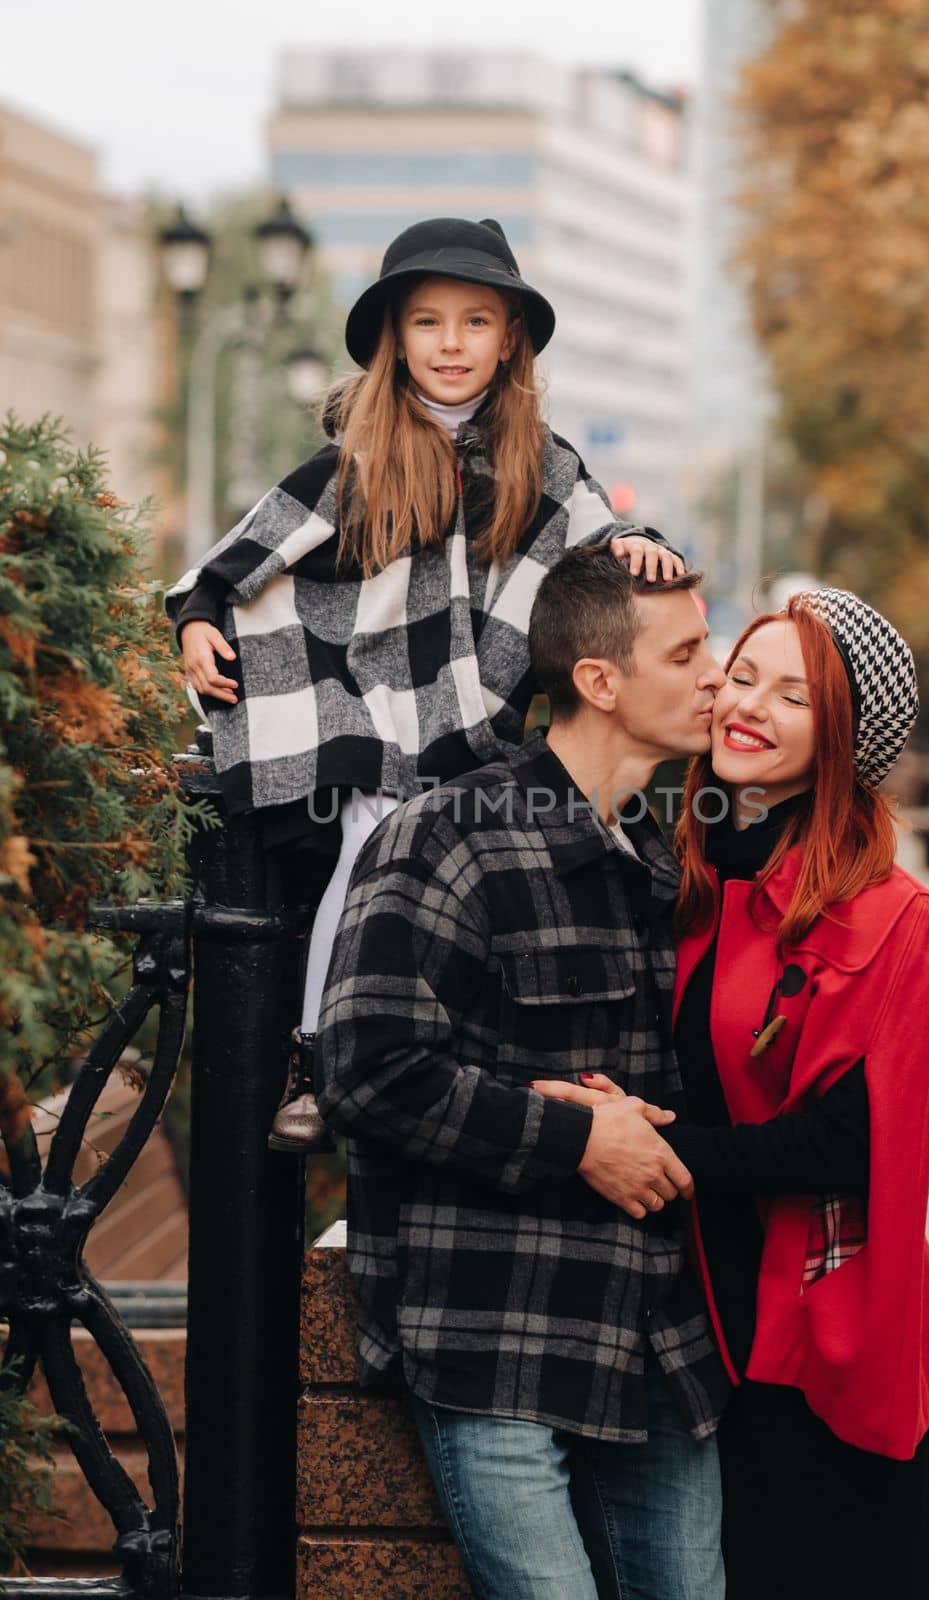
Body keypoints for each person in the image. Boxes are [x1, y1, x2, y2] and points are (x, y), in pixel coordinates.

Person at [165, 215, 681, 1152]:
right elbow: (249, 552)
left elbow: (603, 535)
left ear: (509, 339)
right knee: (376, 833)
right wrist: (199, 614)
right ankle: (323, 1054)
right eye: (428, 323)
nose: (451, 344)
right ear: (394, 340)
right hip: (372, 702)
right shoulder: (357, 456)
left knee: (487, 868)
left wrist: (641, 547)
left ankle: (477, 1063)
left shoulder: (544, 463)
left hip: (478, 711)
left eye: (475, 322)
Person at [533, 587, 929, 1600]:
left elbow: (846, 1139)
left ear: (841, 740)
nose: (750, 706)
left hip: (823, 1349)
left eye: (793, 695)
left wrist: (654, 1146)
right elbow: (578, 682)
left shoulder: (888, 918)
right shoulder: (666, 878)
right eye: (741, 677)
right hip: (685, 1349)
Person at [315, 546, 729, 1600]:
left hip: (650, 1336)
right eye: (684, 653)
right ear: (598, 680)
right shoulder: (448, 839)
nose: (714, 673)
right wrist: (577, 1137)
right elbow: (369, 1070)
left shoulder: (662, 861)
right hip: (492, 1330)